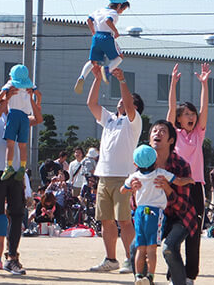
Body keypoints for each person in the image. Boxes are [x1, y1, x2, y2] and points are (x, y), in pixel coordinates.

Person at [86, 65, 144, 274]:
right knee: (106, 220)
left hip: (124, 178)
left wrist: (122, 81)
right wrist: (97, 79)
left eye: (128, 101)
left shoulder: (134, 122)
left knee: (124, 220)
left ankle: (131, 259)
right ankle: (111, 259)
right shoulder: (110, 119)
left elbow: (128, 105)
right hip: (104, 176)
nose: (121, 101)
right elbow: (91, 103)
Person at [0, 87, 42, 276]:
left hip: (15, 173)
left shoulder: (17, 118)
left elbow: (37, 119)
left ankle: (12, 257)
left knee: (16, 214)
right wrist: (4, 98)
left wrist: (31, 98)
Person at [132, 120, 198, 285]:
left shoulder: (181, 165)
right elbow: (135, 207)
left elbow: (183, 207)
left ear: (171, 141)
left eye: (162, 131)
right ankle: (145, 281)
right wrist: (133, 194)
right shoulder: (141, 167)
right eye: (154, 131)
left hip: (179, 217)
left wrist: (168, 190)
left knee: (169, 248)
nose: (157, 134)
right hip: (153, 217)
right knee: (136, 248)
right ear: (149, 140)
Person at [167, 62, 211, 284]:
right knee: (172, 232)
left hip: (195, 187)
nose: (191, 116)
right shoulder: (172, 135)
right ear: (178, 119)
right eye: (186, 114)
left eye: (192, 113)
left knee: (194, 235)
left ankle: (190, 276)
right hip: (175, 188)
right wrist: (173, 84)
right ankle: (173, 271)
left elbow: (205, 110)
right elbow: (170, 110)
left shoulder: (198, 135)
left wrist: (204, 85)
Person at [73, 0, 129, 94]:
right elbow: (108, 21)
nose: (121, 12)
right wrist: (115, 31)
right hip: (107, 37)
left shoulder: (98, 10)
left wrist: (93, 32)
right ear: (119, 5)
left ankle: (82, 76)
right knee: (120, 57)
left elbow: (89, 20)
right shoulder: (113, 13)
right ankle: (107, 70)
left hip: (96, 37)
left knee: (93, 61)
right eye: (122, 10)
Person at [0, 64, 38, 182]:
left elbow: (0, 94)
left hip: (13, 114)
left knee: (10, 144)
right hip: (25, 117)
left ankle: (8, 166)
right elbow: (39, 94)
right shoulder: (29, 85)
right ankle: (22, 167)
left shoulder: (11, 84)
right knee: (23, 145)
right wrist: (38, 103)